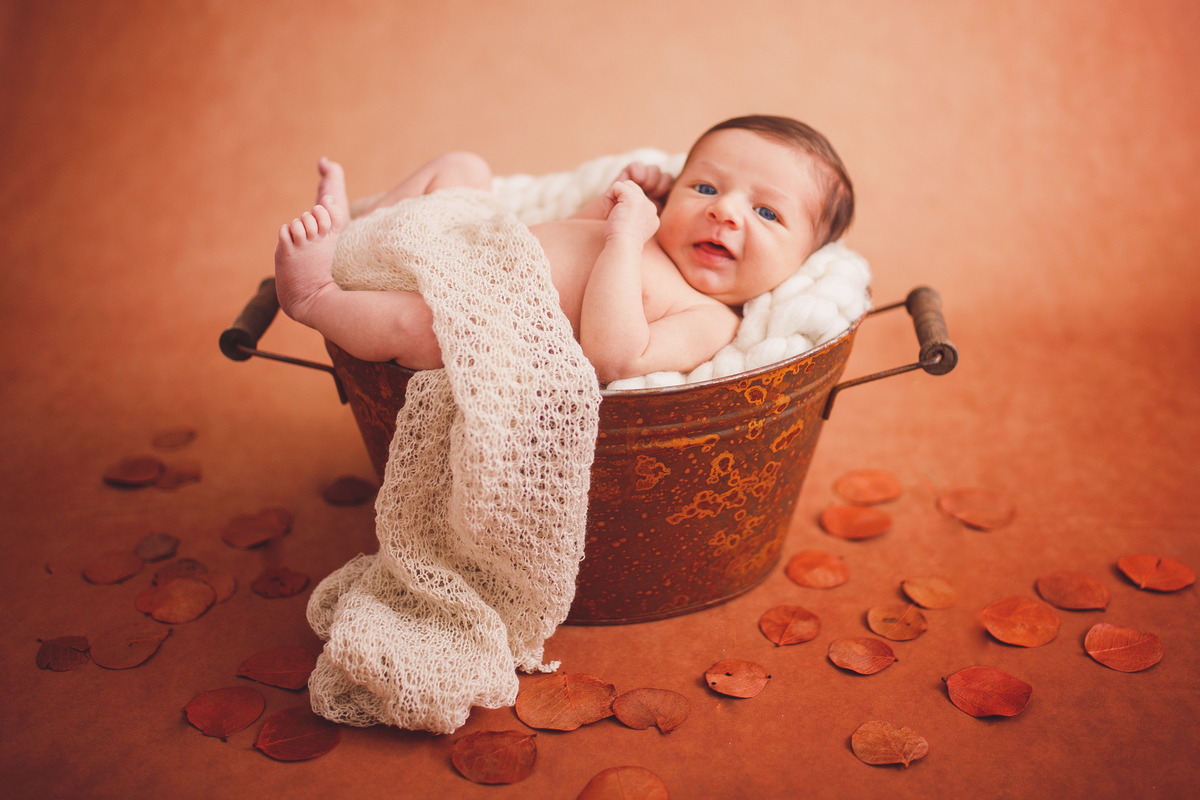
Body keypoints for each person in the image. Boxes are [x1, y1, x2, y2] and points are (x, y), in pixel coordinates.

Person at [273, 115, 854, 385]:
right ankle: (356, 231)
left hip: (474, 313)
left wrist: (624, 240)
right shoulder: (652, 228)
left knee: (422, 330)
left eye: (767, 212)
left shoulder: (709, 319)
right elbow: (565, 230)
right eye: (704, 187)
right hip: (470, 244)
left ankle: (315, 297)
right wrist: (618, 201)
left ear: (802, 262)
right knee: (464, 167)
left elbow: (615, 358)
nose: (724, 211)